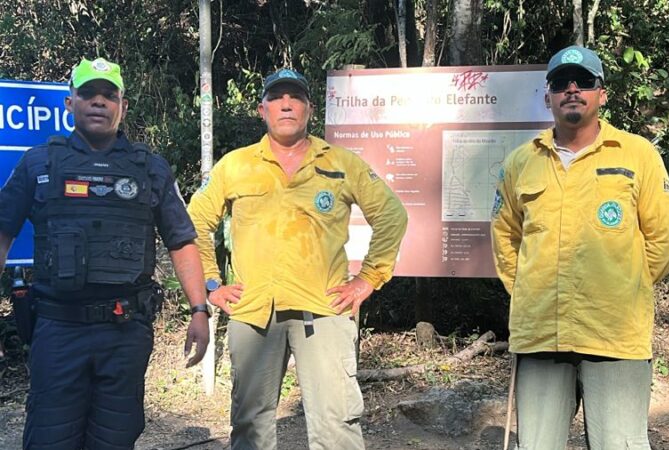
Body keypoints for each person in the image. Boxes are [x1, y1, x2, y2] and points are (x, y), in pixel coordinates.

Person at [188, 67, 408, 450]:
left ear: (309, 109)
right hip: (253, 308)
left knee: (336, 423)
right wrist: (211, 284)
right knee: (249, 424)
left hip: (322, 309)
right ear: (262, 110)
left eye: (295, 98)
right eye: (276, 97)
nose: (286, 104)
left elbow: (392, 215)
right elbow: (193, 222)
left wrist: (369, 277)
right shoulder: (235, 166)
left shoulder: (342, 163)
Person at [0, 57, 210, 449]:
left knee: (114, 439)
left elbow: (180, 241)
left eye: (108, 95)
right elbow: (3, 232)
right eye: (88, 93)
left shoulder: (150, 169)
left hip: (125, 333)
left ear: (122, 106)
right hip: (58, 330)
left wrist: (199, 309)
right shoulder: (38, 163)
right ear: (70, 103)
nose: (99, 102)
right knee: (50, 438)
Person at [491, 45, 669, 449]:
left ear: (602, 93)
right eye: (561, 83)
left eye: (584, 82)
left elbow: (667, 243)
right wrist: (531, 291)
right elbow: (505, 240)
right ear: (548, 96)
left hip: (614, 336)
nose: (572, 89)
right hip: (541, 335)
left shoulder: (638, 155)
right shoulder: (520, 163)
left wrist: (620, 286)